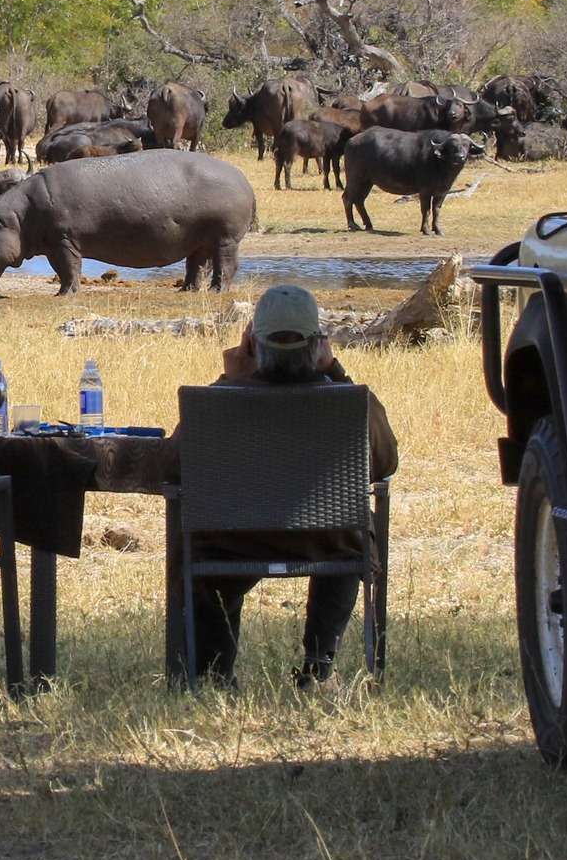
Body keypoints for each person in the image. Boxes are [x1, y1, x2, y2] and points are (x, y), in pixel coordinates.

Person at [165, 283, 399, 687]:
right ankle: (319, 664)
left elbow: (172, 466)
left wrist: (227, 379)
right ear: (319, 345)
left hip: (232, 542)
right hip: (326, 542)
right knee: (350, 535)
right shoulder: (350, 401)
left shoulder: (216, 402)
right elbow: (386, 462)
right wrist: (336, 371)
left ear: (251, 345)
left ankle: (213, 672)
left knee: (197, 554)